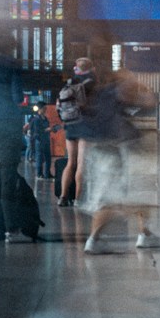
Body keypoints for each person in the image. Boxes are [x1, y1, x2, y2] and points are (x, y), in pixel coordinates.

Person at [76, 67, 155, 254]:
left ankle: (145, 234)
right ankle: (93, 240)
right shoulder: (118, 90)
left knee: (135, 192)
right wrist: (144, 90)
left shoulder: (101, 93)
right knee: (113, 198)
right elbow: (148, 106)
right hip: (113, 149)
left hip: (103, 148)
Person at [57, 57, 102, 207]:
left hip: (69, 124)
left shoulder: (71, 81)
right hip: (84, 124)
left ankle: (63, 196)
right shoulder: (92, 81)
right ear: (91, 67)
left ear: (77, 67)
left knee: (71, 162)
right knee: (81, 163)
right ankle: (78, 199)